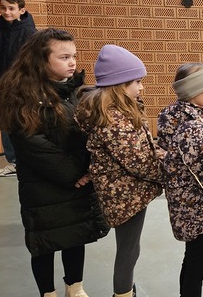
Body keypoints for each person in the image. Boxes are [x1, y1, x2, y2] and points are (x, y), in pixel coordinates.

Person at [0, 29, 109, 297]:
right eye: (64, 56)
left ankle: (75, 287)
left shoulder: (72, 91)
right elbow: (31, 144)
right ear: (41, 60)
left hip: (75, 181)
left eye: (74, 56)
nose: (72, 62)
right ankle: (48, 292)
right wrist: (75, 173)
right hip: (43, 185)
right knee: (44, 242)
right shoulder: (23, 94)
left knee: (75, 236)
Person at [75, 45, 165, 297]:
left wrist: (159, 154)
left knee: (130, 248)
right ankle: (123, 293)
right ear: (118, 85)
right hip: (126, 196)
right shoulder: (114, 120)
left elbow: (140, 150)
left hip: (128, 192)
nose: (142, 87)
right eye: (137, 81)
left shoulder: (121, 110)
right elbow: (138, 161)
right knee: (128, 251)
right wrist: (170, 169)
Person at [157, 63, 203, 297]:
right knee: (198, 264)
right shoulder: (196, 128)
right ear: (193, 92)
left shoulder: (172, 116)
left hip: (183, 204)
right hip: (199, 208)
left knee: (192, 260)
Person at [0, 0, 37, 177]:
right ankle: (14, 163)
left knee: (26, 122)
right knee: (5, 123)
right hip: (0, 86)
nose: (6, 11)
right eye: (3, 7)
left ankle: (29, 161)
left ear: (22, 10)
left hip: (23, 87)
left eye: (11, 8)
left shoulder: (31, 33)